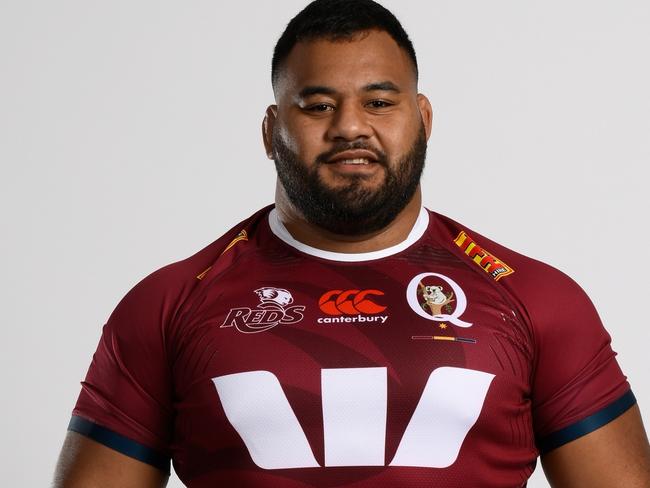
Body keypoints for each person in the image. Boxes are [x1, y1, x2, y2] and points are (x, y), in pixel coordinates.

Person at [53, 0, 650, 486]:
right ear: (270, 130)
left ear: (422, 119)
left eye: (379, 102)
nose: (349, 126)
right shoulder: (168, 305)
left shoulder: (537, 300)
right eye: (317, 105)